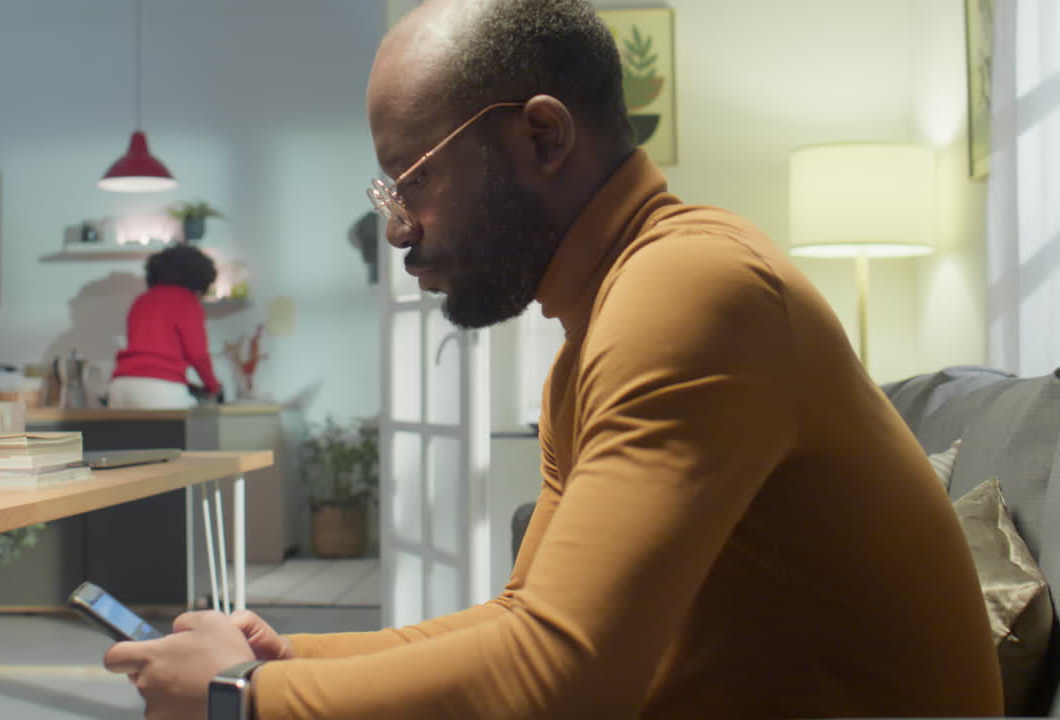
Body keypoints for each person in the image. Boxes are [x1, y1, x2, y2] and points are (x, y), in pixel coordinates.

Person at [104, 0, 1004, 717]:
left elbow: (559, 682)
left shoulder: (692, 288)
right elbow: (523, 622)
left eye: (413, 177)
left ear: (542, 136)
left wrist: (244, 697)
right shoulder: (602, 327)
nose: (397, 230)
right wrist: (292, 656)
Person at [108, 244, 224, 409]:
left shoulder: (141, 301)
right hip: (160, 388)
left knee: (126, 436)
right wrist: (213, 387)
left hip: (121, 384)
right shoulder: (187, 301)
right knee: (175, 434)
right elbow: (197, 354)